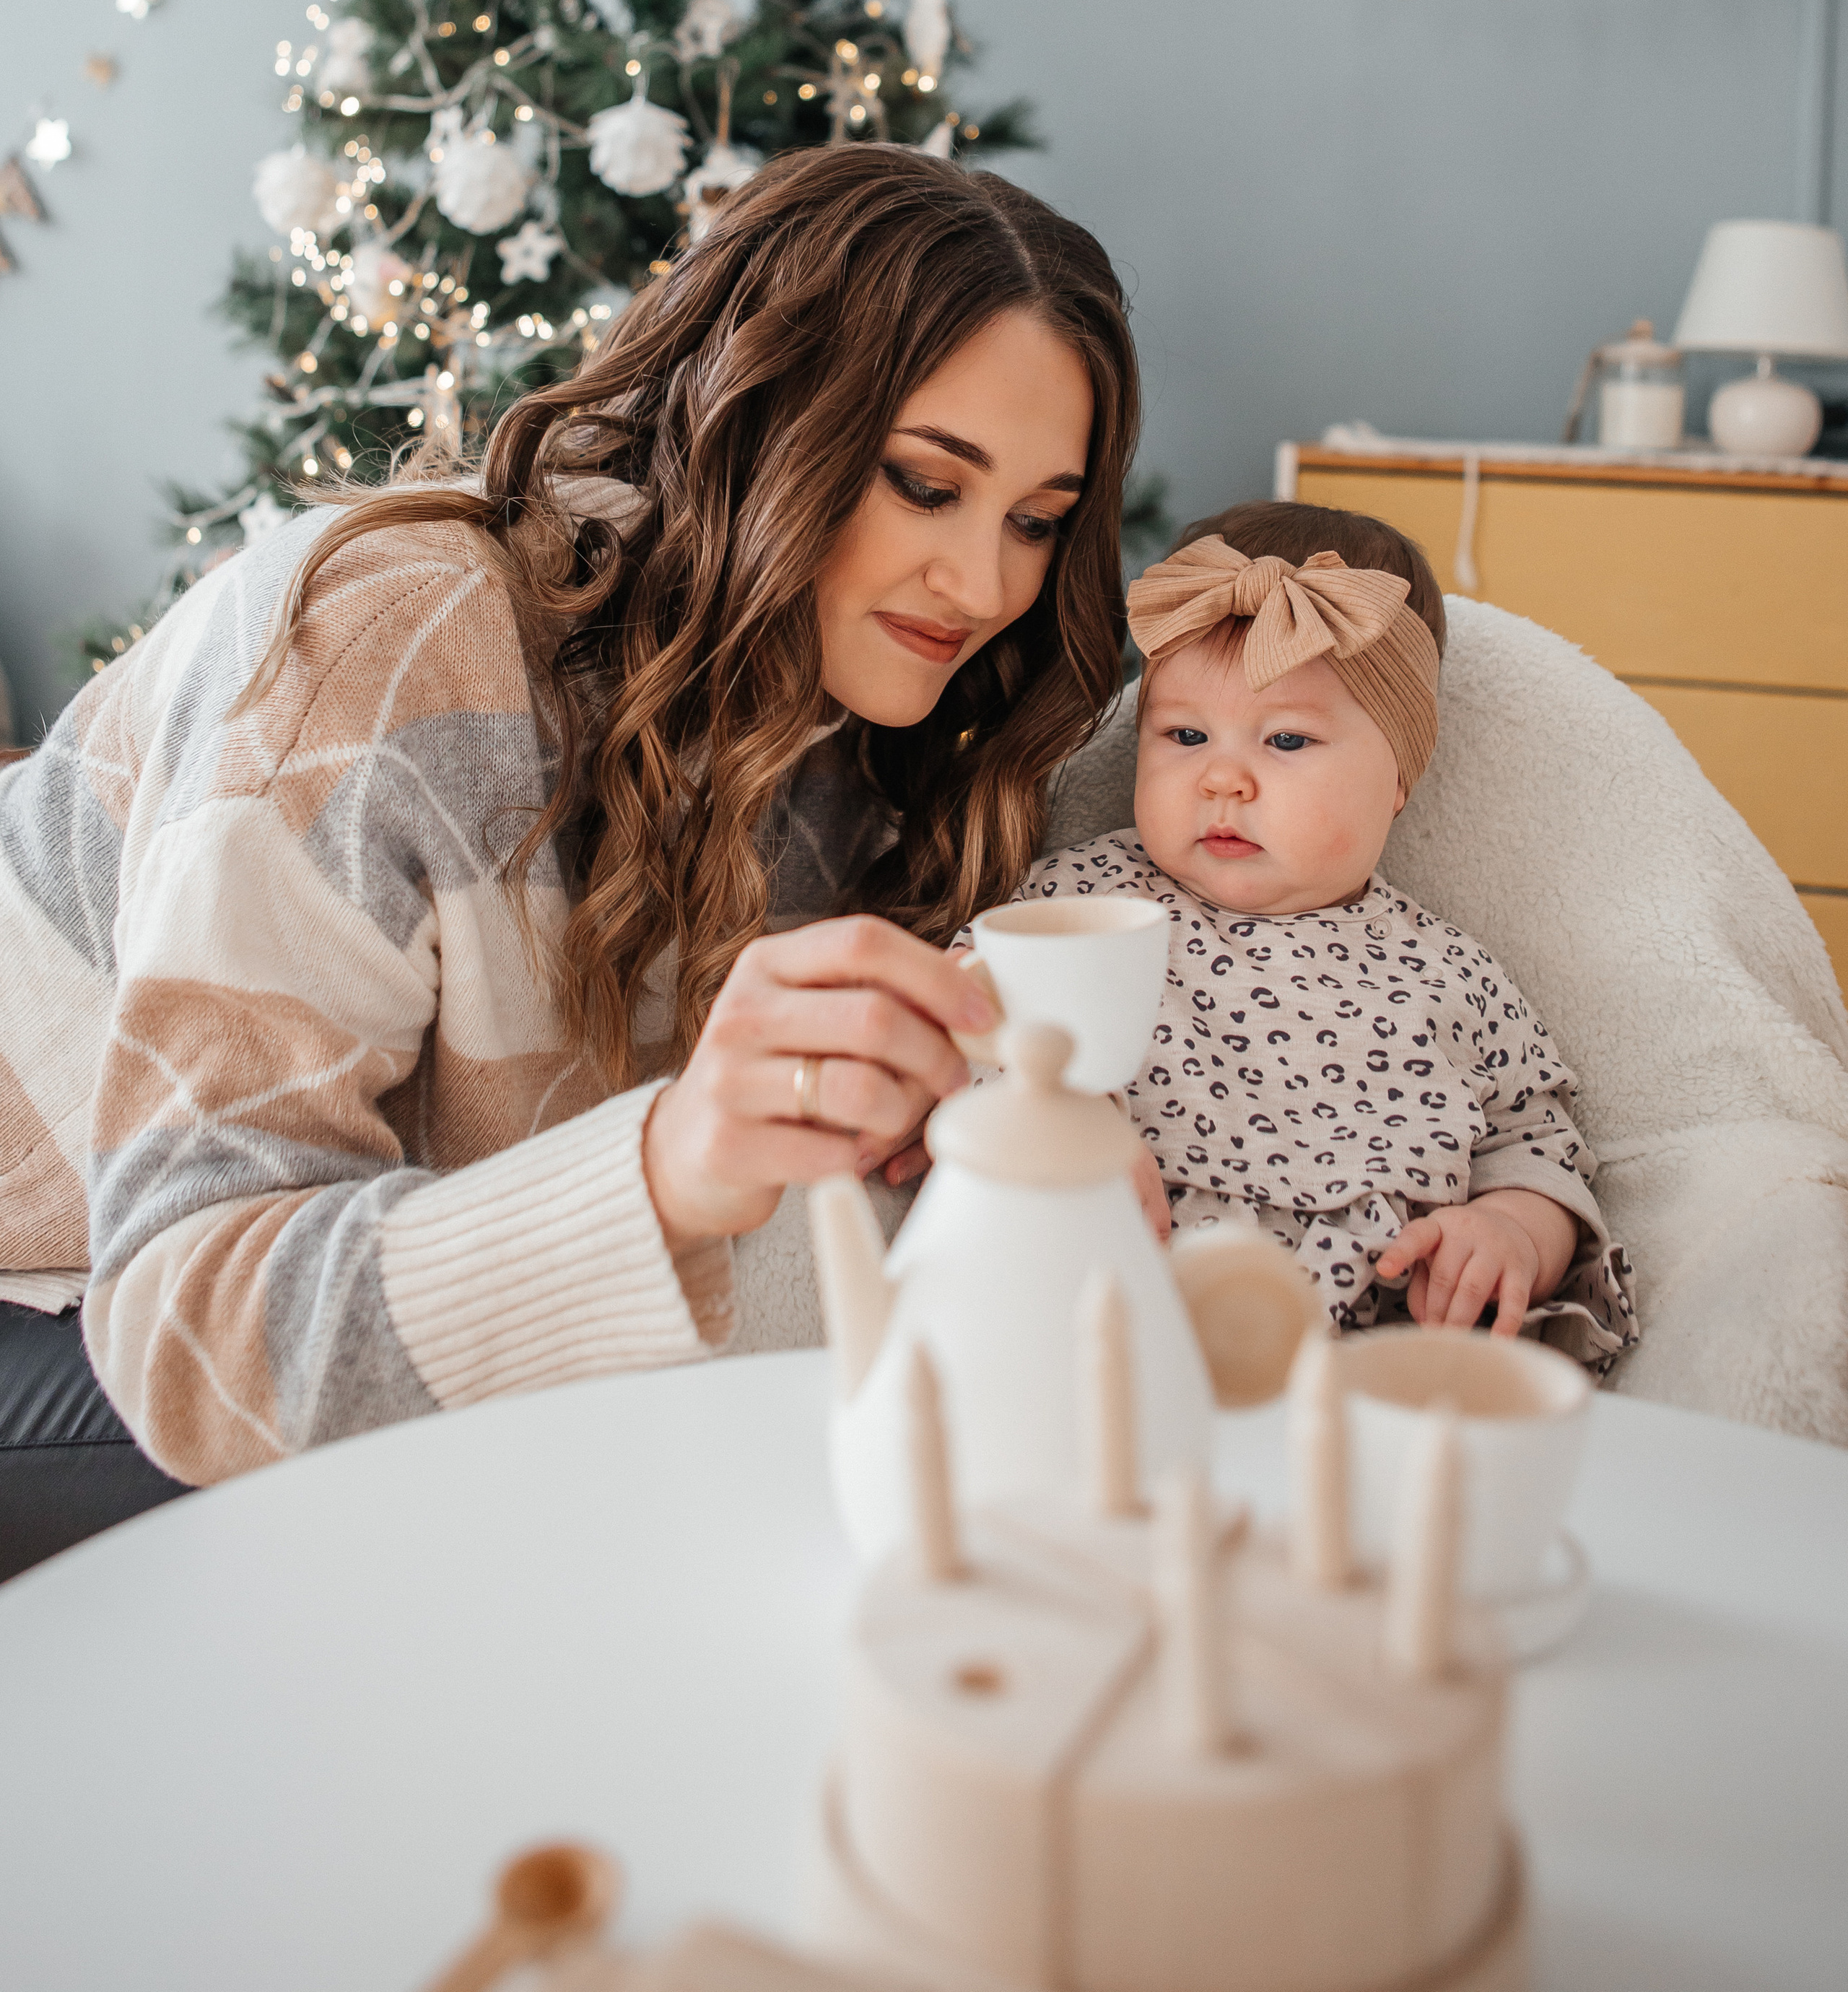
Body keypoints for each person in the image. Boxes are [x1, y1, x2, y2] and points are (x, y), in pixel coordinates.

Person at [0, 147, 1139, 1558]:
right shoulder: (394, 639)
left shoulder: (861, 712)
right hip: (55, 1263)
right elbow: (192, 1334)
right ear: (760, 424)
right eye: (921, 484)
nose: (983, 585)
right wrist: (668, 1162)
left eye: (1035, 520)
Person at [998, 502, 1638, 1366]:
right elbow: (979, 1018)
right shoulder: (1090, 902)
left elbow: (1537, 1142)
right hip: (1121, 1310)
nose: (1222, 776)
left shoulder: (1449, 970)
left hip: (1375, 1343)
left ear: (1399, 779)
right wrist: (1069, 1127)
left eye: (1288, 740)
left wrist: (1509, 1233)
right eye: (1184, 734)